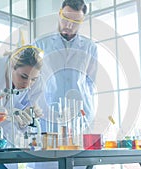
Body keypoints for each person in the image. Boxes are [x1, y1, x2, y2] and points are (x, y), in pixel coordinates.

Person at [28, 0, 98, 168]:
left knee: (80, 164)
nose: (68, 25)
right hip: (49, 117)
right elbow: (32, 82)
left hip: (80, 119)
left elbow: (90, 82)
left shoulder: (90, 46)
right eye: (65, 18)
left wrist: (88, 113)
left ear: (82, 21)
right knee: (48, 164)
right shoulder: (40, 44)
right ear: (59, 13)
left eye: (75, 22)